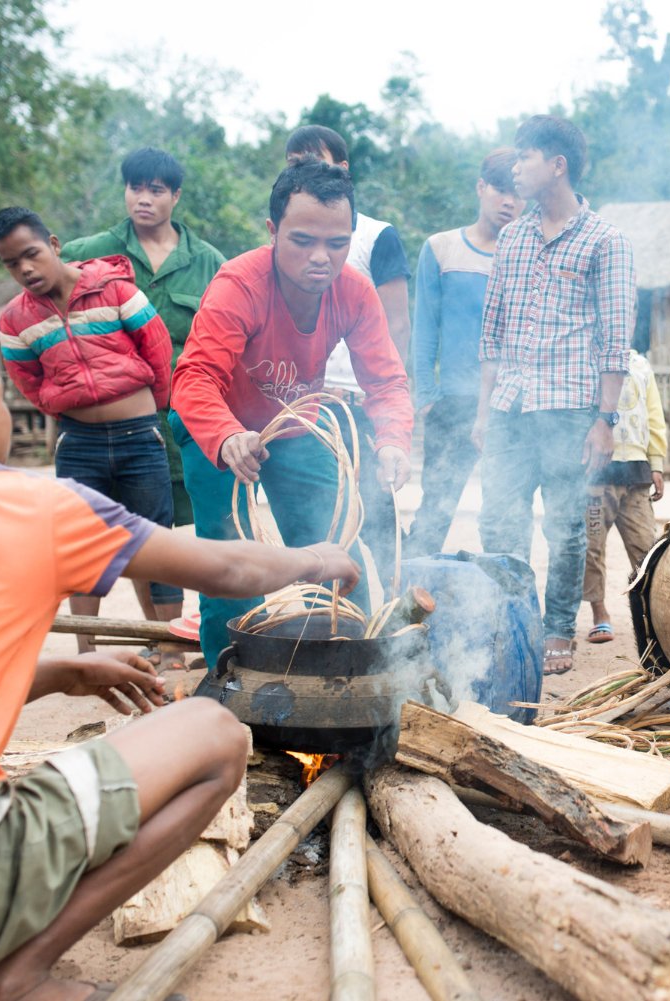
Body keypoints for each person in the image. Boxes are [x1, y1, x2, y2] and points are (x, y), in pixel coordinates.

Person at [0, 307, 361, 1001]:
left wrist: (62, 672)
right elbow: (223, 569)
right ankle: (14, 973)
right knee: (217, 733)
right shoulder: (32, 507)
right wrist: (310, 558)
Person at [170, 159, 413, 665]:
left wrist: (392, 439)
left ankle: (351, 667)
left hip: (296, 424)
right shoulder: (239, 284)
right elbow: (193, 379)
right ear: (273, 231)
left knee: (332, 546)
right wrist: (228, 436)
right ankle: (232, 681)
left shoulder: (354, 292)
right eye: (303, 241)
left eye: (337, 243)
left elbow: (386, 380)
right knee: (229, 560)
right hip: (217, 427)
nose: (321, 258)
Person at [475, 114, 634, 676]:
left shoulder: (606, 240)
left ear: (557, 164)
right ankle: (512, 622)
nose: (515, 168)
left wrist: (605, 419)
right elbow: (492, 333)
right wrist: (481, 412)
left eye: (525, 157)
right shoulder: (513, 236)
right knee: (498, 522)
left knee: (565, 525)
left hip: (570, 409)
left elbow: (616, 340)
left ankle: (558, 630)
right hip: (509, 408)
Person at [0, 206, 180, 655]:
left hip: (140, 438)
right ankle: (86, 653)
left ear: (54, 245)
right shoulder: (15, 320)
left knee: (157, 540)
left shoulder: (115, 290)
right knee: (80, 545)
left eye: (31, 254)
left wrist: (143, 411)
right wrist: (64, 403)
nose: (25, 269)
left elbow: (158, 351)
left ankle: (171, 649)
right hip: (79, 445)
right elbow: (28, 382)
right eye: (11, 263)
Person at [61, 147, 227, 542]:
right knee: (100, 539)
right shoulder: (85, 256)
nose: (143, 199)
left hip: (186, 424)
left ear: (177, 196)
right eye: (135, 188)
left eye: (156, 190)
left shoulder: (210, 264)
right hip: (110, 430)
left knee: (205, 535)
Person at [285, 125, 412, 581]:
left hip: (360, 402)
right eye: (294, 164)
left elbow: (397, 323)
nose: (304, 171)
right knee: (322, 515)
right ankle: (329, 618)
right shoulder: (289, 234)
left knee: (376, 513)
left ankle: (395, 611)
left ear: (343, 169)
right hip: (308, 405)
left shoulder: (376, 237)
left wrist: (391, 406)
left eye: (314, 161)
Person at [404, 148, 523, 558]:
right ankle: (403, 602)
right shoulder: (440, 248)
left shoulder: (527, 258)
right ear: (481, 187)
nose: (509, 202)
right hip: (452, 403)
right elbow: (425, 330)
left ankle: (500, 609)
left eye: (518, 193)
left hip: (509, 405)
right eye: (501, 190)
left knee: (503, 514)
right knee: (436, 509)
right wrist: (426, 398)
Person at [583, 349, 667, 645]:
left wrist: (655, 462)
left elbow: (654, 416)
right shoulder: (585, 356)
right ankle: (599, 612)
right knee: (592, 547)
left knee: (647, 548)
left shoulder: (641, 364)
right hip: (595, 473)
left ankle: (653, 613)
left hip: (635, 473)